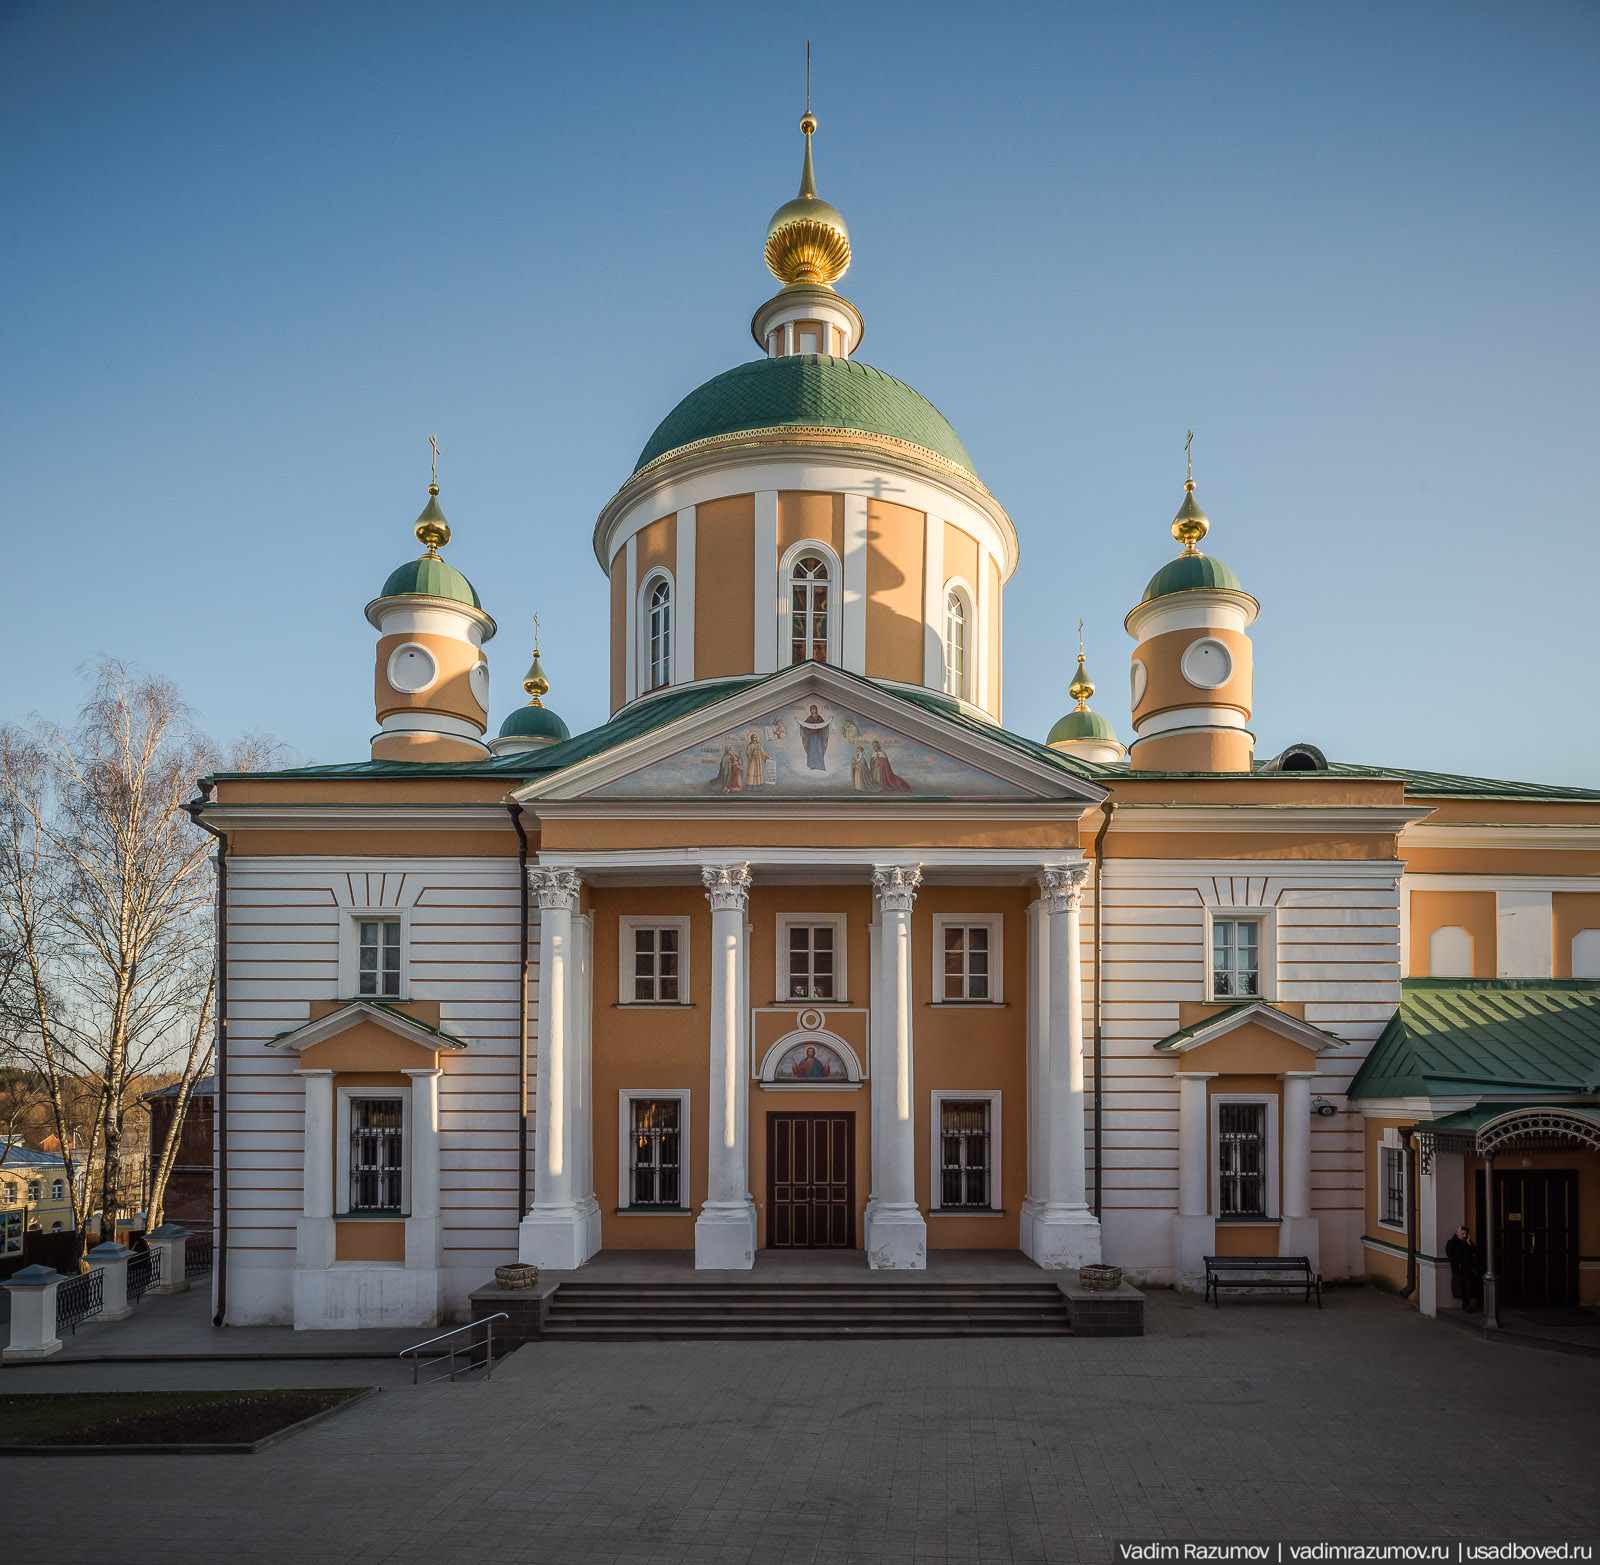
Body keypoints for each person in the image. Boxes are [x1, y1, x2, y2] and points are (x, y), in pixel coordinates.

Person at [1445, 1224, 1479, 1312]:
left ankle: (1466, 1303)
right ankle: (1466, 1304)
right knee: (1461, 1287)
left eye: (1466, 1234)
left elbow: (1474, 1252)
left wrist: (1469, 1243)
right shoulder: (1452, 1242)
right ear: (1459, 1233)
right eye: (1463, 1233)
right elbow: (1450, 1256)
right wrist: (1457, 1264)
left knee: (1468, 1286)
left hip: (1468, 1268)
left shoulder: (1468, 1242)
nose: (1464, 1236)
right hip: (1459, 1269)